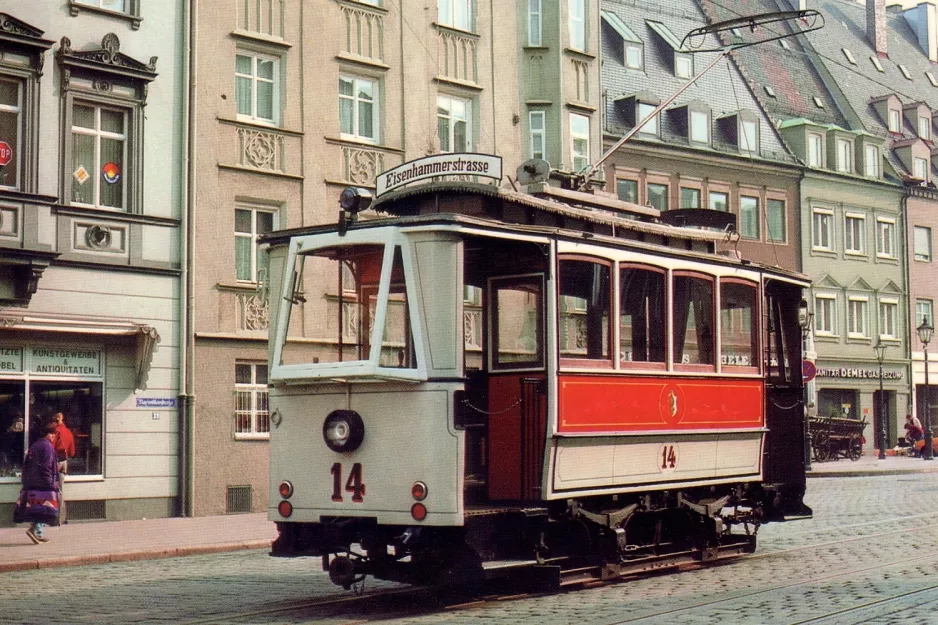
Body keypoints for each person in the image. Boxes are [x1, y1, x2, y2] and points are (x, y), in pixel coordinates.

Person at [18, 420, 59, 544]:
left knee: (39, 508)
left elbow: (26, 464)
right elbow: (46, 466)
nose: (53, 437)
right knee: (44, 508)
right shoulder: (47, 446)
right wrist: (50, 482)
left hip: (32, 482)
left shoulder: (35, 445)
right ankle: (34, 530)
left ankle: (38, 533)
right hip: (43, 483)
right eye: (52, 434)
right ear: (48, 434)